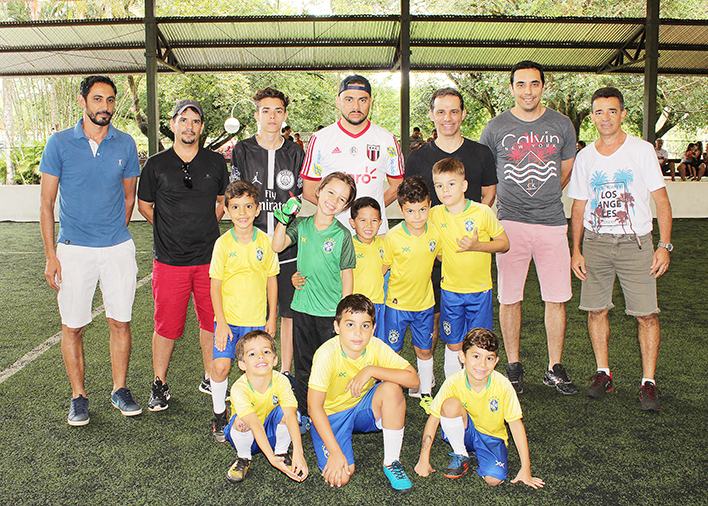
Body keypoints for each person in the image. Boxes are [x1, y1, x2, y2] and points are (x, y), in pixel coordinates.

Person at [39, 75, 142, 426]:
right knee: (73, 326)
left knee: (121, 321)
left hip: (117, 248)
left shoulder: (126, 144)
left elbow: (129, 196)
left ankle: (119, 389)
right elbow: (46, 203)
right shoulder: (59, 143)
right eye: (98, 99)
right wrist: (52, 255)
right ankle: (79, 397)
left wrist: (114, 233)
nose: (105, 107)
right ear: (83, 101)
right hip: (73, 250)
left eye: (110, 100)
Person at [568, 86, 673, 412]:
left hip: (636, 243)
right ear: (593, 116)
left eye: (611, 111)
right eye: (599, 112)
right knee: (597, 310)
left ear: (623, 113)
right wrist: (577, 250)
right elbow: (578, 208)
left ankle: (648, 382)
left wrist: (664, 246)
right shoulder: (585, 157)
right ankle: (603, 373)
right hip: (596, 243)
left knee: (646, 315)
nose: (605, 118)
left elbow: (662, 201)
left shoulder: (641, 151)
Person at [480, 60, 579, 396]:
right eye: (520, 85)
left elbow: (565, 172)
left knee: (556, 298)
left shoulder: (562, 124)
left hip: (552, 222)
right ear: (511, 88)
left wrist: (543, 198)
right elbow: (489, 175)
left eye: (534, 84)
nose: (527, 91)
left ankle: (554, 367)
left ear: (543, 87)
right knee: (510, 298)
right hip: (510, 223)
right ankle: (513, 366)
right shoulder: (495, 128)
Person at [137, 99, 228, 411]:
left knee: (212, 321)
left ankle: (210, 376)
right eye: (183, 120)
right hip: (169, 261)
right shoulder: (155, 165)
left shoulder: (216, 163)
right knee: (166, 326)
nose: (189, 126)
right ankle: (159, 383)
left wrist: (203, 226)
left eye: (195, 121)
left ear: (202, 127)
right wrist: (170, 230)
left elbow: (220, 202)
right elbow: (145, 206)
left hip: (208, 260)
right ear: (173, 124)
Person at [405, 87, 498, 356]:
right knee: (432, 314)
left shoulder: (481, 153)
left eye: (454, 111)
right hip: (432, 250)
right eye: (441, 111)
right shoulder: (418, 157)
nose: (448, 117)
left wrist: (466, 225)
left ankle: (467, 376)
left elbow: (488, 193)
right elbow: (411, 201)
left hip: (467, 251)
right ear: (432, 115)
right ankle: (427, 377)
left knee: (473, 322)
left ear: (463, 114)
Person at [230, 87, 305, 381]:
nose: (272, 117)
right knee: (251, 309)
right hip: (253, 242)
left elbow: (298, 195)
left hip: (287, 245)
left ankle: (284, 370)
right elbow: (236, 196)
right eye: (265, 111)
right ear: (256, 114)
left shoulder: (296, 151)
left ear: (285, 115)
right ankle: (248, 369)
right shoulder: (242, 150)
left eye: (277, 111)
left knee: (287, 312)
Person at [308, 294, 419, 492]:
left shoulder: (375, 346)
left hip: (361, 407)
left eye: (365, 326)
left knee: (392, 389)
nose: (358, 333)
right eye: (350, 325)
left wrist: (372, 370)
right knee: (340, 476)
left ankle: (392, 462)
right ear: (336, 327)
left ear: (373, 329)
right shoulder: (326, 354)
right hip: (331, 415)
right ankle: (337, 442)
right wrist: (334, 452)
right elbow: (314, 407)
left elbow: (413, 380)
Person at [272, 172, 357, 424]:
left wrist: (345, 316)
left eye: (342, 199)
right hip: (303, 308)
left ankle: (329, 412)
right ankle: (305, 413)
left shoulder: (342, 235)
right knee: (304, 365)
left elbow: (347, 277)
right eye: (331, 192)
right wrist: (283, 220)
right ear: (319, 191)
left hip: (330, 314)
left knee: (330, 367)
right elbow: (277, 246)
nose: (333, 200)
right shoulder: (302, 225)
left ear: (345, 206)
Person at [414, 328, 544, 489]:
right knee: (449, 405)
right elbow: (433, 419)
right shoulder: (454, 382)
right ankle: (461, 454)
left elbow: (516, 425)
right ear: (463, 357)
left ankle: (483, 454)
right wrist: (423, 459)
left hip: (492, 436)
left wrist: (526, 468)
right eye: (476, 356)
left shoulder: (503, 385)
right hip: (465, 432)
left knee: (493, 480)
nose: (482, 364)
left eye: (489, 358)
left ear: (496, 361)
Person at [209, 181, 279, 441]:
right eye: (235, 207)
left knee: (257, 370)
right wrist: (222, 322)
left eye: (248, 206)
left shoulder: (266, 242)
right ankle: (219, 413)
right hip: (229, 322)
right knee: (220, 367)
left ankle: (254, 414)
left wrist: (271, 317)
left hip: (256, 322)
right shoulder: (223, 244)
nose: (242, 212)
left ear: (257, 209)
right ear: (226, 210)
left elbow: (272, 279)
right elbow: (215, 286)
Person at [429, 158, 509, 380]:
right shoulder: (435, 214)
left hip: (479, 291)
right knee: (453, 343)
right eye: (439, 185)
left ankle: (476, 389)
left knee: (479, 344)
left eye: (451, 184)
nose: (445, 190)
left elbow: (504, 243)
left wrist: (477, 246)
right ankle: (452, 390)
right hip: (451, 291)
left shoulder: (482, 212)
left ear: (464, 185)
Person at [301, 74, 404, 235]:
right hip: (332, 232)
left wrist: (369, 212)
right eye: (349, 99)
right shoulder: (320, 139)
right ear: (338, 101)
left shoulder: (387, 139)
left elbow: (397, 186)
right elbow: (308, 190)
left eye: (362, 100)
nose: (356, 106)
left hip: (375, 234)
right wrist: (337, 211)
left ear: (370, 101)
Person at [382, 176, 440, 412]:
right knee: (392, 349)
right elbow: (382, 269)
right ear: (401, 209)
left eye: (422, 210)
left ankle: (424, 391)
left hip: (424, 305)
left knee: (424, 350)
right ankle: (391, 389)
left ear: (429, 205)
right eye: (411, 211)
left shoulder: (435, 233)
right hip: (396, 305)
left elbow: (445, 259)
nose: (417, 217)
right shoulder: (393, 237)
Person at [223, 330, 308, 483]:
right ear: (242, 364)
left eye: (266, 351)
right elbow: (254, 424)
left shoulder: (281, 381)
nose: (261, 356)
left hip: (270, 433)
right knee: (241, 421)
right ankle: (243, 457)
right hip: (250, 437)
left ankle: (282, 452)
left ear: (275, 360)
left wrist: (299, 452)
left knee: (292, 414)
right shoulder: (239, 388)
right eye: (252, 354)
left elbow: (289, 415)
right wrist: (270, 458)